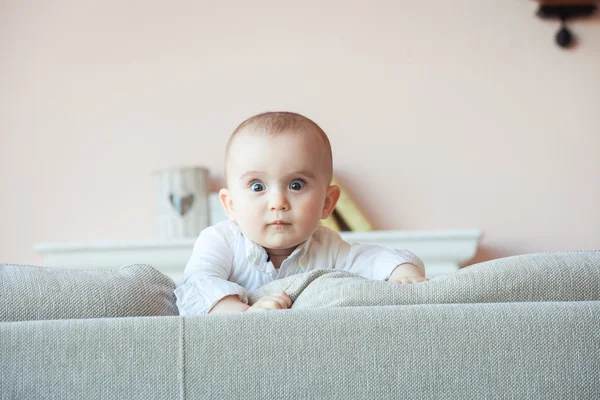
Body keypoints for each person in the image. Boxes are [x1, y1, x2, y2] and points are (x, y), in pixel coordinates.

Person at [175, 111, 428, 315]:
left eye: (296, 185)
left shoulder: (329, 247)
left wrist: (402, 273)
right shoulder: (221, 241)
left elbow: (372, 259)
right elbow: (198, 282)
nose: (278, 202)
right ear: (230, 205)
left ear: (327, 203)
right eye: (257, 186)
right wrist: (240, 312)